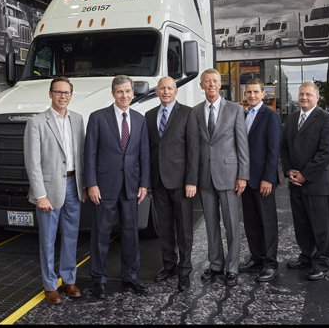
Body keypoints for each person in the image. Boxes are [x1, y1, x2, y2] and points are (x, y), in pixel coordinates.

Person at [85, 75, 152, 299]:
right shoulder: (97, 118)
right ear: (113, 93)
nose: (124, 95)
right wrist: (91, 184)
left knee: (131, 233)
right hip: (103, 187)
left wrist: (144, 184)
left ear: (133, 93)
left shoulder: (140, 119)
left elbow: (144, 154)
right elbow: (90, 154)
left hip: (132, 186)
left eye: (128, 91)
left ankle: (130, 276)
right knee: (101, 233)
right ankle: (99, 279)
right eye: (120, 91)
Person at [24, 76, 87, 304]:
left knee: (71, 236)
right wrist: (40, 194)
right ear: (50, 94)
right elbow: (33, 162)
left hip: (73, 185)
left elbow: (81, 157)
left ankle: (69, 279)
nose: (63, 96)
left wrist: (84, 186)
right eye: (58, 92)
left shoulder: (78, 120)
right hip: (49, 189)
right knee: (48, 239)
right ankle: (50, 285)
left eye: (67, 93)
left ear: (71, 95)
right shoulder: (37, 122)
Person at [187, 68, 250, 286]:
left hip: (230, 176)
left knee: (231, 224)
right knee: (211, 224)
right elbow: (194, 148)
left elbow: (242, 145)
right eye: (207, 81)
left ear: (220, 84)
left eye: (215, 81)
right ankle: (216, 265)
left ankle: (231, 267)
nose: (211, 84)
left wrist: (243, 175)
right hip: (205, 177)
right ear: (201, 85)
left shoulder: (234, 109)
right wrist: (192, 179)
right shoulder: (195, 112)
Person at [280, 81, 329, 281]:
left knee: (321, 226)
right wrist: (289, 171)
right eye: (301, 94)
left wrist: (304, 174)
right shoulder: (291, 118)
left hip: (317, 183)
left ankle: (322, 262)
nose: (304, 97)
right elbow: (284, 147)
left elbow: (326, 153)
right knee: (301, 224)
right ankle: (307, 256)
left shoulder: (327, 119)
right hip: (295, 182)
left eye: (308, 95)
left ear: (317, 98)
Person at [145, 76, 198, 291]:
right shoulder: (149, 116)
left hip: (181, 183)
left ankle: (184, 271)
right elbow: (147, 151)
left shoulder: (188, 113)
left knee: (184, 229)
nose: (166, 91)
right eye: (162, 88)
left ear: (176, 91)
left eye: (170, 88)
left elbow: (194, 151)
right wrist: (147, 182)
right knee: (164, 228)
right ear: (156, 92)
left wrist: (191, 181)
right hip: (158, 182)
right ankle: (169, 266)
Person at [238, 78, 282, 282]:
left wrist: (268, 178)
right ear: (244, 95)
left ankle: (271, 263)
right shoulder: (243, 114)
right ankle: (257, 257)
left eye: (256, 92)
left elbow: (274, 151)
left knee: (268, 223)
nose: (252, 96)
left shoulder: (270, 116)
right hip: (246, 180)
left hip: (263, 180)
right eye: (249, 92)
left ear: (264, 94)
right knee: (251, 222)